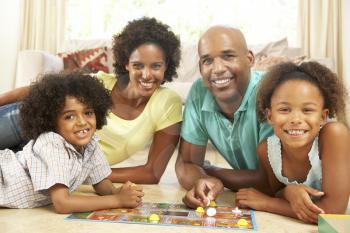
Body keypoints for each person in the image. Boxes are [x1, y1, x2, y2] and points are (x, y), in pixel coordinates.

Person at [0, 17, 182, 184]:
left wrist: (86, 172)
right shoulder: (101, 83)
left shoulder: (168, 103)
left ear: (167, 65)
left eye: (156, 66)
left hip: (42, 157)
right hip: (22, 122)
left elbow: (151, 173)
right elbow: (39, 91)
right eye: (138, 65)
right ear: (126, 63)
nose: (146, 75)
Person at [0, 72, 144, 212]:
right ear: (51, 121)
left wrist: (117, 192)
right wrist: (117, 201)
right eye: (69, 117)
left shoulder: (91, 143)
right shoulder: (51, 143)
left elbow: (100, 182)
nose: (82, 122)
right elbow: (63, 203)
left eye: (88, 113)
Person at [236, 61, 350, 224]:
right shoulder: (267, 151)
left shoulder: (334, 135)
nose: (296, 120)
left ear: (323, 117)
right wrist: (289, 191)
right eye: (284, 110)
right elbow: (278, 192)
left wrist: (268, 203)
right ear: (270, 116)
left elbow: (333, 213)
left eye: (307, 110)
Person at [175, 26, 273, 208]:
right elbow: (186, 164)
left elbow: (271, 182)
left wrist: (210, 171)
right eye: (207, 60)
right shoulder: (199, 91)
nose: (218, 69)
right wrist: (203, 180)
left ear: (249, 59)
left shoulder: (272, 92)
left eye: (228, 56)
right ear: (200, 67)